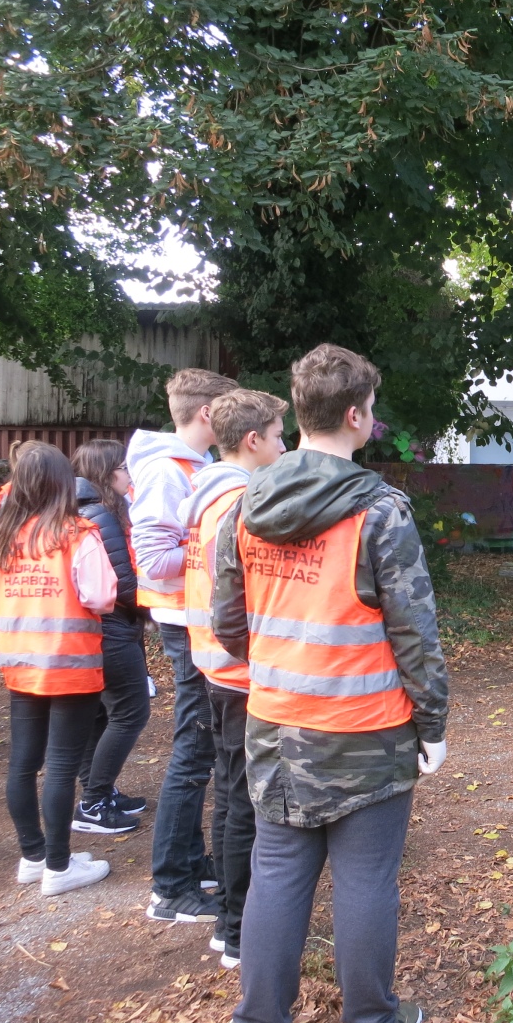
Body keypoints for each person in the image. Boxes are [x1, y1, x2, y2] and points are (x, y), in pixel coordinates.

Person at [212, 345, 448, 1023]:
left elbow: (228, 624)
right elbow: (415, 634)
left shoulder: (245, 506)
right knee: (367, 879)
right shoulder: (380, 513)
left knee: (278, 873)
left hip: (276, 727)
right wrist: (433, 724)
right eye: (371, 408)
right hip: (368, 732)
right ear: (355, 415)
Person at [179, 388, 288, 970]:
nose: (283, 447)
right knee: (246, 801)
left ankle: (228, 919)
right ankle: (240, 928)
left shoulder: (206, 496)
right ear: (253, 440)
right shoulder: (242, 503)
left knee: (229, 793)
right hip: (241, 670)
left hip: (215, 666)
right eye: (277, 436)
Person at [128, 368, 238, 923]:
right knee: (194, 750)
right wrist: (220, 553)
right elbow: (153, 560)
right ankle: (171, 886)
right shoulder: (166, 471)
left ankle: (194, 863)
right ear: (208, 414)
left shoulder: (197, 466)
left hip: (196, 619)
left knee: (204, 747)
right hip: (182, 621)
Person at [0, 443, 117, 894]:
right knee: (61, 765)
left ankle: (33, 856)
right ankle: (59, 867)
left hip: (20, 664)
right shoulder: (77, 534)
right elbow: (102, 596)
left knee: (23, 763)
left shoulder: (1, 538)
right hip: (70, 664)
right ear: (64, 485)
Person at [71, 439, 150, 834]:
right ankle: (94, 802)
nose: (129, 475)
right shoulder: (101, 515)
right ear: (105, 473)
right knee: (132, 711)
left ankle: (97, 791)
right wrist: (156, 610)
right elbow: (124, 582)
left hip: (98, 630)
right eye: (123, 467)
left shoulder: (83, 512)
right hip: (113, 630)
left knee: (100, 714)